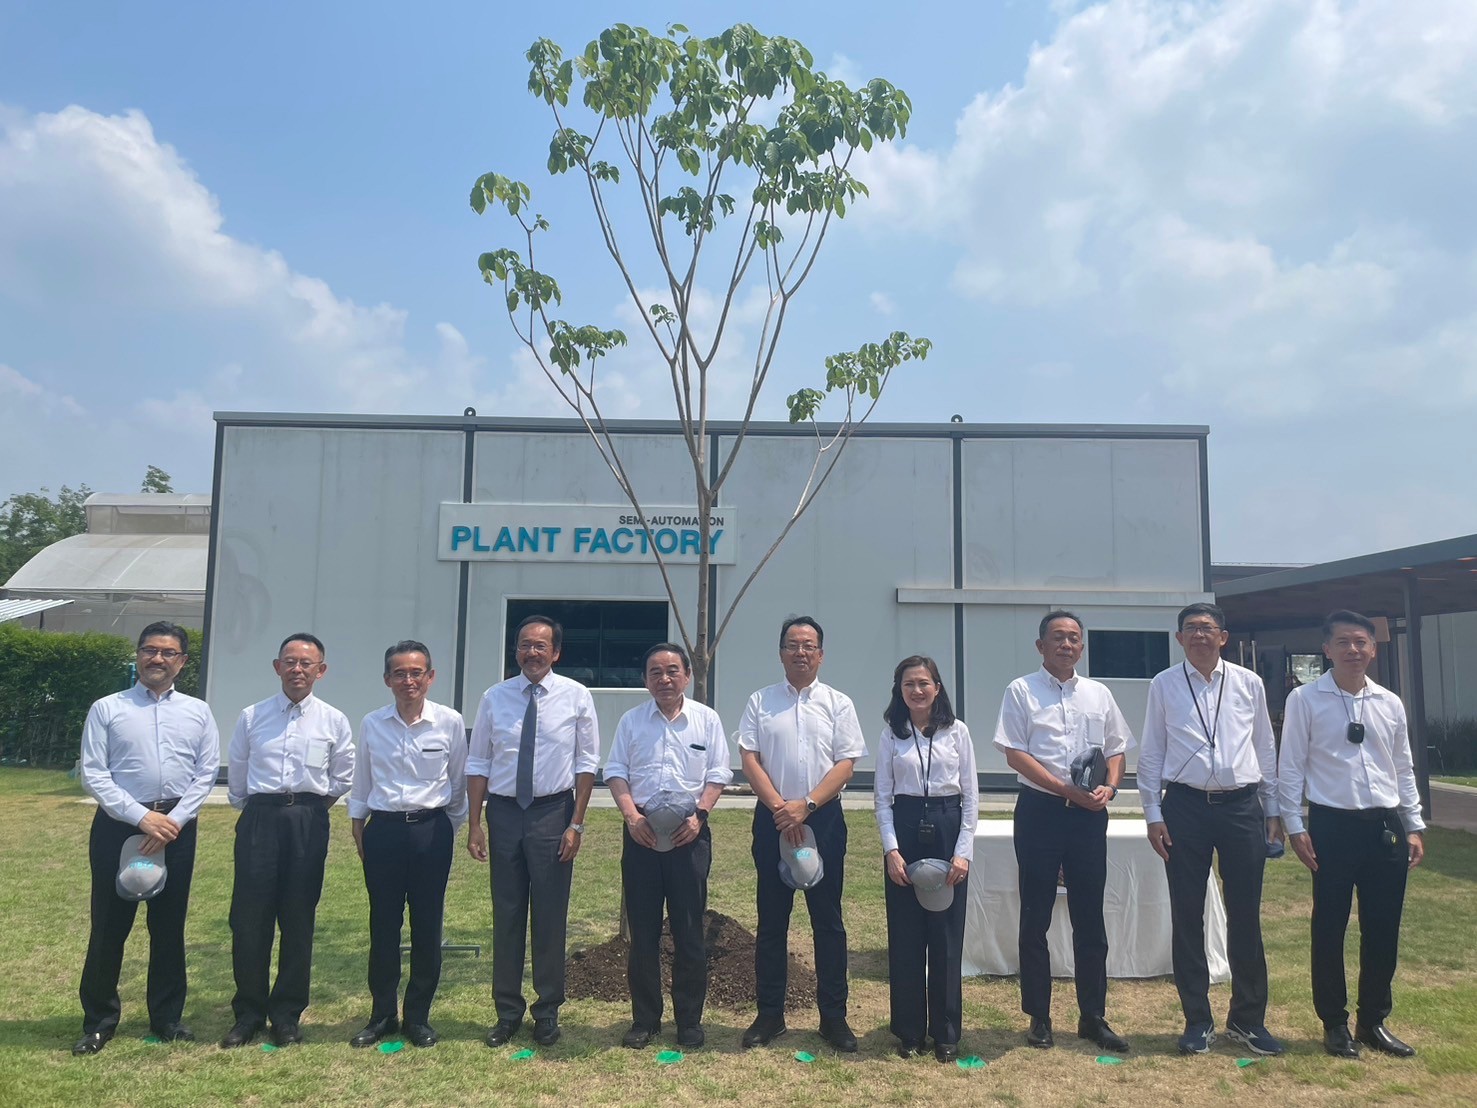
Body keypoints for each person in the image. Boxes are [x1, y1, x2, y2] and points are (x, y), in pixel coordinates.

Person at [1137, 603, 1285, 1056]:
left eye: (1208, 628)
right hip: (1184, 806)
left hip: (1241, 807)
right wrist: (1153, 813)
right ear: (1179, 638)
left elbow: (1264, 746)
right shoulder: (1164, 684)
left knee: (1246, 914)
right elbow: (1152, 751)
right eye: (1191, 628)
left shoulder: (1248, 682)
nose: (1199, 635)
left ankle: (1247, 1019)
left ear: (1223, 637)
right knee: (1187, 915)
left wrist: (1273, 809)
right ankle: (1197, 1021)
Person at [1279, 610, 1426, 1059]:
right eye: (1343, 642)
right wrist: (1294, 824)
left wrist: (1413, 824)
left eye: (1361, 642)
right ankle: (1334, 1023)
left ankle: (1373, 1020)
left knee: (1383, 928)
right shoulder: (1305, 699)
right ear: (1327, 649)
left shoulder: (1389, 702)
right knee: (1330, 926)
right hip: (1332, 826)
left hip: (1384, 827)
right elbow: (1291, 764)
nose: (1353, 650)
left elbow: (1402, 767)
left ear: (1373, 649)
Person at [74, 621, 219, 1055]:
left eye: (167, 652)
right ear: (138, 655)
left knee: (169, 926)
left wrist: (172, 821)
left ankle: (167, 1017)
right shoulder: (107, 708)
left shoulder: (198, 711)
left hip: (176, 828)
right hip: (120, 824)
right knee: (109, 926)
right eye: (149, 650)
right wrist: (141, 818)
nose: (157, 658)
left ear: (182, 661)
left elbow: (206, 773)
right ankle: (99, 1021)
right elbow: (94, 773)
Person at [992, 610, 1133, 1054]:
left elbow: (1116, 749)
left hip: (1089, 815)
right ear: (1041, 646)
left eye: (1074, 638)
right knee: (1035, 915)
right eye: (1057, 637)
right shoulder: (1021, 690)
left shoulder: (1098, 694)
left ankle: (1093, 1016)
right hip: (1041, 811)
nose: (1066, 644)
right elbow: (1015, 753)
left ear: (1082, 647)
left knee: (1090, 916)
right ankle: (1039, 1016)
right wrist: (1064, 788)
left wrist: (1111, 787)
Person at [466, 614, 599, 1049]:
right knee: (506, 914)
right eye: (525, 644)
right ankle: (507, 1011)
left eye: (541, 645)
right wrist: (475, 823)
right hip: (504, 813)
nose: (532, 652)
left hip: (552, 813)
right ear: (516, 650)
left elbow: (586, 764)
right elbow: (479, 762)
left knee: (549, 915)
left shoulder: (576, 696)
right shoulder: (494, 697)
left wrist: (575, 823)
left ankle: (547, 1011)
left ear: (556, 652)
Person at [738, 615, 866, 1052]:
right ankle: (769, 1015)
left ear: (821, 654)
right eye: (792, 645)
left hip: (823, 819)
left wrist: (806, 805)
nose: (800, 652)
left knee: (827, 921)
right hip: (772, 818)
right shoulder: (761, 701)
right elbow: (750, 758)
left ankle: (833, 1017)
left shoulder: (838, 703)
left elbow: (846, 764)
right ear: (780, 653)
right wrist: (781, 808)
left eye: (809, 645)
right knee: (771, 921)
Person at [222, 633, 355, 1049]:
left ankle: (286, 1014)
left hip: (307, 821)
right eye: (290, 662)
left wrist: (307, 808)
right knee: (249, 919)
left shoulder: (333, 720)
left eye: (306, 663)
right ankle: (248, 1014)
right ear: (277, 667)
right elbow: (238, 773)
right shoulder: (252, 716)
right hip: (259, 818)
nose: (298, 669)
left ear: (321, 670)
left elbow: (342, 776)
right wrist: (263, 807)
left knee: (298, 918)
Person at [604, 642, 731, 1050]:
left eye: (673, 670)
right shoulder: (631, 722)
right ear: (645, 680)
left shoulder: (706, 720)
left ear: (687, 676)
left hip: (689, 833)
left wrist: (700, 817)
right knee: (643, 932)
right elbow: (616, 771)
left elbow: (718, 773)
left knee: (689, 929)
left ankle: (689, 1020)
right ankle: (645, 1020)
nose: (664, 678)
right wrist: (631, 817)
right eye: (655, 672)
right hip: (641, 832)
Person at [346, 640, 468, 1049]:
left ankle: (418, 1016)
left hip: (431, 831)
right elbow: (362, 778)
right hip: (383, 830)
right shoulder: (372, 723)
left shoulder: (449, 722)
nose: (408, 680)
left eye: (417, 673)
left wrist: (444, 827)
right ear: (387, 679)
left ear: (430, 677)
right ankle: (382, 1015)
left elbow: (457, 784)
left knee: (427, 925)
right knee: (383, 924)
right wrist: (358, 823)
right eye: (400, 673)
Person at [874, 655, 978, 1063]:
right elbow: (882, 799)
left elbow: (971, 798)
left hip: (947, 825)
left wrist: (963, 853)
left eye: (923, 683)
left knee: (946, 936)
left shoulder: (958, 732)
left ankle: (946, 1031)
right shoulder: (891, 735)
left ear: (937, 687)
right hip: (905, 828)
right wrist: (891, 850)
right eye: (908, 684)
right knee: (906, 936)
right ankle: (909, 1030)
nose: (916, 690)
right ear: (899, 691)